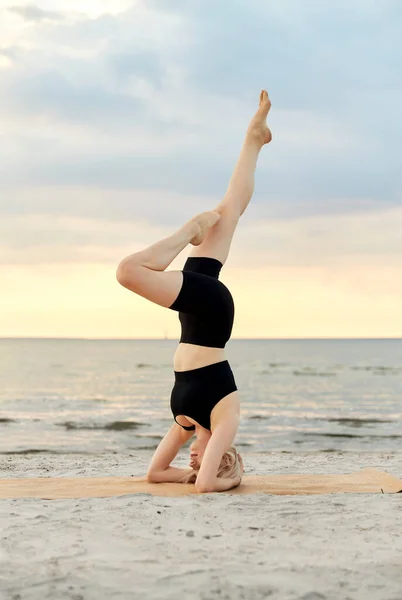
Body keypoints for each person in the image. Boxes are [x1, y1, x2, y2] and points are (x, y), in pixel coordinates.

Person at [116, 90, 272, 493]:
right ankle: (188, 232)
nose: (191, 460)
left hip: (197, 314)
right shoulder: (225, 419)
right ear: (223, 458)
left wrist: (185, 473)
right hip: (213, 312)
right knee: (128, 272)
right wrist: (226, 477)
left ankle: (253, 139)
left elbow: (155, 474)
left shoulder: (185, 421)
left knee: (229, 210)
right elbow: (205, 487)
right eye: (204, 462)